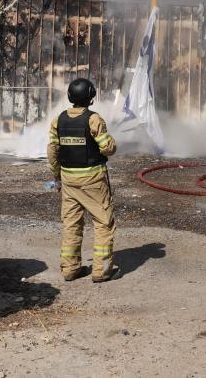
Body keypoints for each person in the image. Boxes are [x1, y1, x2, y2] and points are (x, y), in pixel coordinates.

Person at [47, 78, 119, 282]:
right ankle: (102, 270)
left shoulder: (58, 120)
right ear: (91, 97)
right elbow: (108, 148)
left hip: (69, 179)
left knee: (71, 224)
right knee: (103, 223)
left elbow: (52, 151)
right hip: (93, 180)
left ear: (70, 96)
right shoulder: (94, 119)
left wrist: (56, 175)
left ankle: (70, 269)